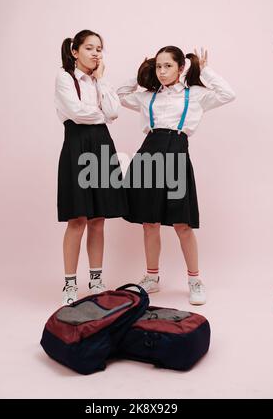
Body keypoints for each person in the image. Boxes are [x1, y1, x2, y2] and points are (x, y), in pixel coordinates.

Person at [117, 46, 236, 304]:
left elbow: (228, 94)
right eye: (158, 66)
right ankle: (152, 278)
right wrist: (141, 71)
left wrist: (205, 70)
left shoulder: (195, 95)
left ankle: (194, 280)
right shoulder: (147, 97)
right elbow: (119, 95)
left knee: (183, 224)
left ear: (181, 68)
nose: (161, 71)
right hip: (148, 155)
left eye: (167, 66)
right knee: (150, 223)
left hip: (177, 155)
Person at [55, 29, 128, 305]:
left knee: (98, 218)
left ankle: (96, 280)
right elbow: (76, 113)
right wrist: (101, 115)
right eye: (89, 48)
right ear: (75, 51)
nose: (96, 53)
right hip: (77, 145)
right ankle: (69, 284)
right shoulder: (65, 77)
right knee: (78, 218)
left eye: (99, 48)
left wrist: (101, 82)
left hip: (101, 144)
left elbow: (113, 111)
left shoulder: (100, 81)